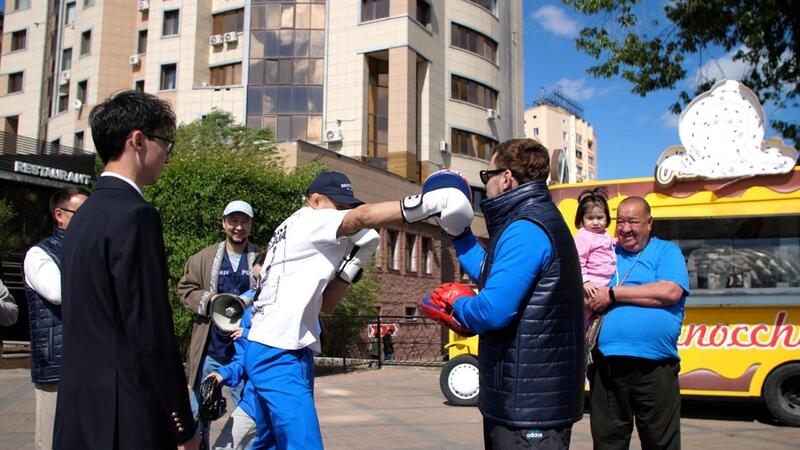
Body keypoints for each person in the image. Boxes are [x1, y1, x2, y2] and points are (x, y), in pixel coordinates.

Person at [245, 169, 473, 449]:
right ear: (315, 200)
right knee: (304, 445)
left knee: (269, 443)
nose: (343, 215)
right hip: (278, 350)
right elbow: (362, 217)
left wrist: (352, 266)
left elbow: (326, 305)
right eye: (338, 207)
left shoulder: (291, 229)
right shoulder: (310, 220)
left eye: (346, 208)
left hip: (278, 345)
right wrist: (427, 204)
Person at [54, 90, 199, 450]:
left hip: (79, 414)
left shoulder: (83, 216)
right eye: (165, 142)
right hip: (126, 418)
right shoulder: (136, 216)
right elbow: (150, 331)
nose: (166, 154)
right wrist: (182, 425)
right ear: (137, 140)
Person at [421, 138, 585, 449]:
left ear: (506, 178)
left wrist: (458, 303)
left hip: (529, 409)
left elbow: (493, 310)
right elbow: (495, 272)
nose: (486, 185)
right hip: (530, 401)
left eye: (487, 176)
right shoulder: (534, 219)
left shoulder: (526, 227)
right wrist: (459, 233)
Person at [585, 196, 689, 450]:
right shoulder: (604, 252)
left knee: (660, 444)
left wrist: (612, 294)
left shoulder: (666, 251)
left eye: (633, 221)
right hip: (607, 367)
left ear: (649, 223)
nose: (626, 228)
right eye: (620, 221)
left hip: (655, 368)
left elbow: (670, 292)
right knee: (608, 444)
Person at [178, 199, 259, 443]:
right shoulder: (203, 258)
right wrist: (211, 300)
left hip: (243, 352)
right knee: (199, 413)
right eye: (233, 221)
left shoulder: (261, 259)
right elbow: (185, 289)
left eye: (244, 221)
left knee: (251, 414)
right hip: (210, 350)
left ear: (250, 225)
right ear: (223, 224)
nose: (239, 227)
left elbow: (271, 293)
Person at [23, 187, 87, 450]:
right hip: (56, 366)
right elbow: (58, 292)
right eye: (82, 212)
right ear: (59, 215)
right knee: (52, 441)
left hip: (90, 363)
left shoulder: (88, 250)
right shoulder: (39, 254)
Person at [206, 251, 267, 450]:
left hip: (282, 404)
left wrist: (249, 335)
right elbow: (241, 360)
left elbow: (288, 350)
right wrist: (221, 375)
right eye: (255, 281)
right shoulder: (248, 315)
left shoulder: (294, 312)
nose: (257, 288)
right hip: (251, 403)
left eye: (263, 280)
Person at [573, 188, 615, 359]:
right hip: (592, 284)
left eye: (600, 218)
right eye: (590, 218)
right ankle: (580, 349)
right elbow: (578, 260)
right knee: (584, 320)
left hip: (606, 283)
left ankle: (588, 347)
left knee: (597, 322)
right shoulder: (583, 236)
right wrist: (585, 282)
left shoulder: (606, 235)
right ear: (582, 220)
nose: (595, 222)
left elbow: (612, 246)